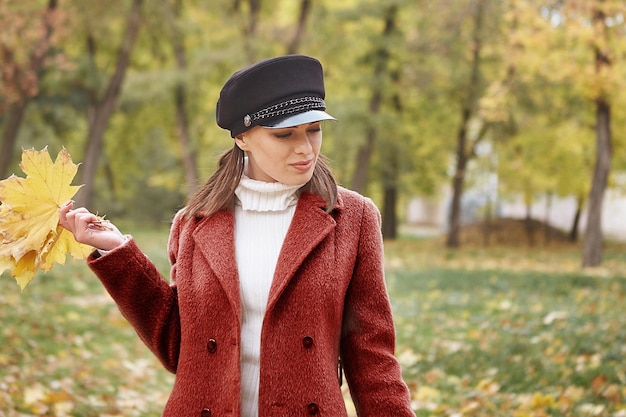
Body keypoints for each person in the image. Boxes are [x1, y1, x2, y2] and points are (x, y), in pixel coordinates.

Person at [59, 55, 415, 417]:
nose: (305, 148)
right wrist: (118, 251)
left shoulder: (353, 218)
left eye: (314, 129)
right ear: (243, 138)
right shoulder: (195, 222)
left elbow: (371, 356)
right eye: (284, 134)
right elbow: (179, 349)